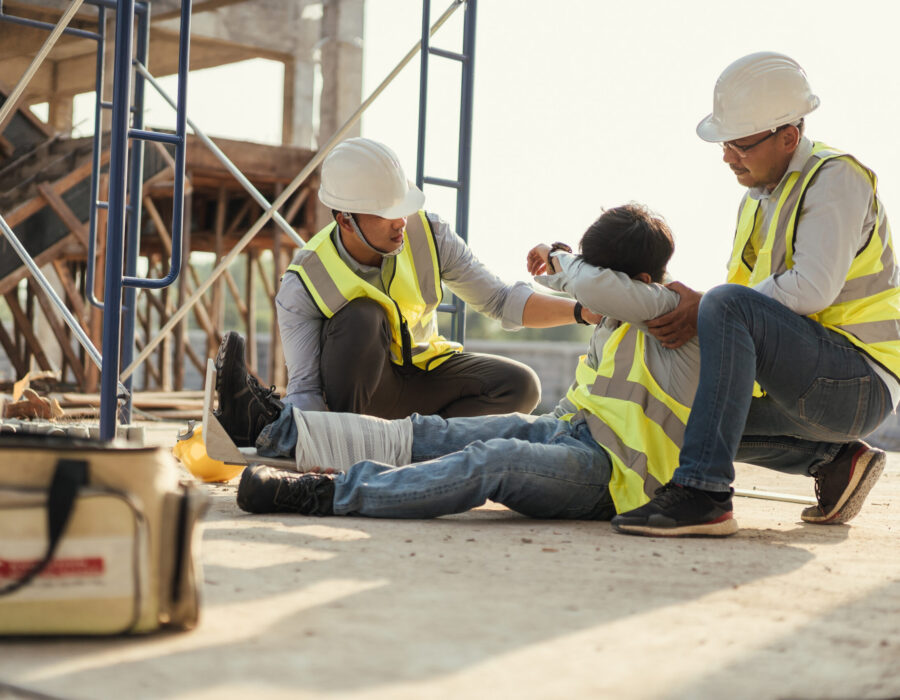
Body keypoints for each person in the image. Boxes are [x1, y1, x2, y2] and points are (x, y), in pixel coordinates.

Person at [215, 205, 722, 529]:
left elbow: (589, 287)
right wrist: (568, 259)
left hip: (617, 477)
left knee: (491, 460)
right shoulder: (622, 308)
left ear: (634, 279)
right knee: (431, 434)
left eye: (596, 272)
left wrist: (560, 258)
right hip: (572, 430)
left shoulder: (668, 311)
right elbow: (577, 292)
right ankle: (270, 428)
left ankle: (324, 494)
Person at [612, 52, 899, 537]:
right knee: (681, 414)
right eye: (725, 144)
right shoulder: (759, 199)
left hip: (857, 384)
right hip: (807, 386)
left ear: (789, 136)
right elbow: (747, 309)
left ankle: (705, 495)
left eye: (740, 145)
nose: (728, 156)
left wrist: (706, 304)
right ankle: (833, 461)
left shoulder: (836, 179)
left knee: (723, 301)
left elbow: (809, 288)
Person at [274, 137, 598, 421]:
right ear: (346, 221)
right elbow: (305, 390)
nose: (401, 221)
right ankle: (353, 448)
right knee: (362, 317)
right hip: (363, 400)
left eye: (402, 206)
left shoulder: (429, 234)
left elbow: (500, 300)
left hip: (425, 379)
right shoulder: (304, 282)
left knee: (520, 386)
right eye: (388, 212)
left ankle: (422, 448)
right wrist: (318, 446)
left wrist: (581, 311)